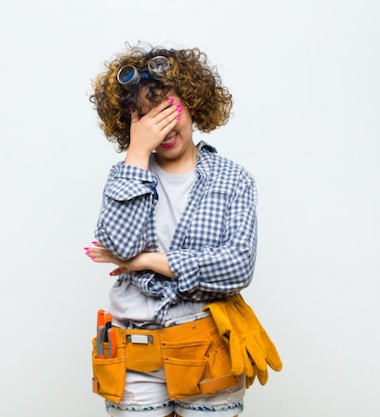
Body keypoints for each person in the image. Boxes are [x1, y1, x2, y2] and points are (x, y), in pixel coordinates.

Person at [85, 43, 280, 417]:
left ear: (192, 103)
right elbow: (120, 244)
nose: (162, 126)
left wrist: (146, 260)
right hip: (133, 350)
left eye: (168, 110)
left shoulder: (233, 179)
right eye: (145, 117)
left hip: (207, 347)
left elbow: (237, 268)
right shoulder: (126, 174)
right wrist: (138, 154)